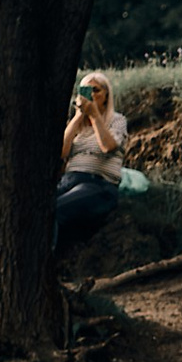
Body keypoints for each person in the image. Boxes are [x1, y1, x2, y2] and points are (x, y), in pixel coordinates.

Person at [54, 75, 127, 249]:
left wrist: (95, 115)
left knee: (55, 209)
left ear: (106, 95)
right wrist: (79, 116)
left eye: (96, 90)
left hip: (97, 184)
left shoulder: (117, 120)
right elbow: (62, 152)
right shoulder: (77, 125)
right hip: (68, 181)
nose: (92, 95)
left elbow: (108, 146)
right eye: (86, 90)